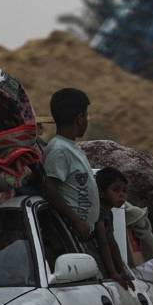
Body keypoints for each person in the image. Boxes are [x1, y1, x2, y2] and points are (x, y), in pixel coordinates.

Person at [42, 88, 100, 242]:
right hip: (71, 235)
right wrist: (77, 222)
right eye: (86, 115)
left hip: (81, 235)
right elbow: (50, 187)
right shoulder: (59, 149)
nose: (87, 120)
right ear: (80, 118)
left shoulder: (69, 147)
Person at [94, 167, 134, 290]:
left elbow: (112, 242)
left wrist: (122, 271)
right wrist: (113, 273)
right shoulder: (98, 211)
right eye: (115, 190)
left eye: (124, 191)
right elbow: (103, 242)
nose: (121, 194)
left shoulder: (108, 212)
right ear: (101, 192)